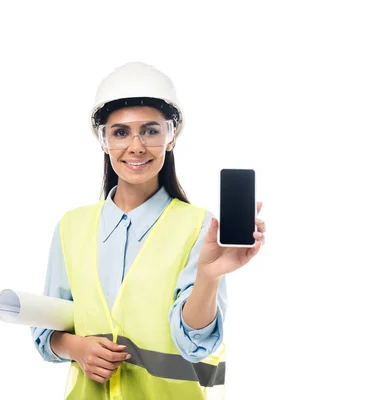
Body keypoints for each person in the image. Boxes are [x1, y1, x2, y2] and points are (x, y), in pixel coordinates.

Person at [30, 62, 266, 400]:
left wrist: (208, 276)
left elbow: (195, 345)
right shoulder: (71, 226)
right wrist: (77, 348)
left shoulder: (199, 227)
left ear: (171, 138)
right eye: (121, 132)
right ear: (104, 141)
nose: (136, 146)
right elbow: (47, 330)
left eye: (151, 131)